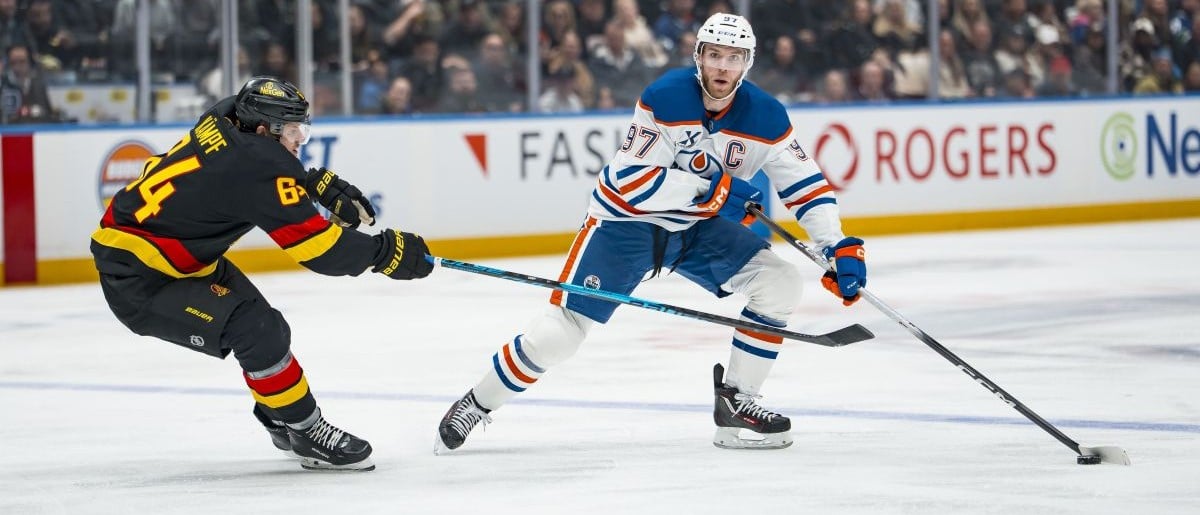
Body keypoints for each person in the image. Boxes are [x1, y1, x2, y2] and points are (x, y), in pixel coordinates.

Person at [435, 13, 867, 452]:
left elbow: (805, 184)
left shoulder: (767, 117)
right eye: (714, 55)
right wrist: (714, 189)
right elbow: (631, 184)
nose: (722, 67)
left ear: (747, 64)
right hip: (626, 225)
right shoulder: (666, 97)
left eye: (733, 58)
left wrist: (837, 247)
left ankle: (736, 405)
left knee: (780, 282)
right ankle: (478, 402)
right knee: (558, 335)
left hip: (694, 230)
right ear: (698, 57)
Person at [90, 77, 434, 471]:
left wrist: (307, 182)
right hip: (141, 280)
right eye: (291, 132)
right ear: (262, 130)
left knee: (271, 331)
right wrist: (384, 253)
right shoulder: (258, 165)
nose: (299, 140)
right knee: (257, 330)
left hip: (171, 255)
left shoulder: (224, 116)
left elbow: (237, 172)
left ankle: (279, 413)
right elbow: (319, 250)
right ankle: (307, 431)